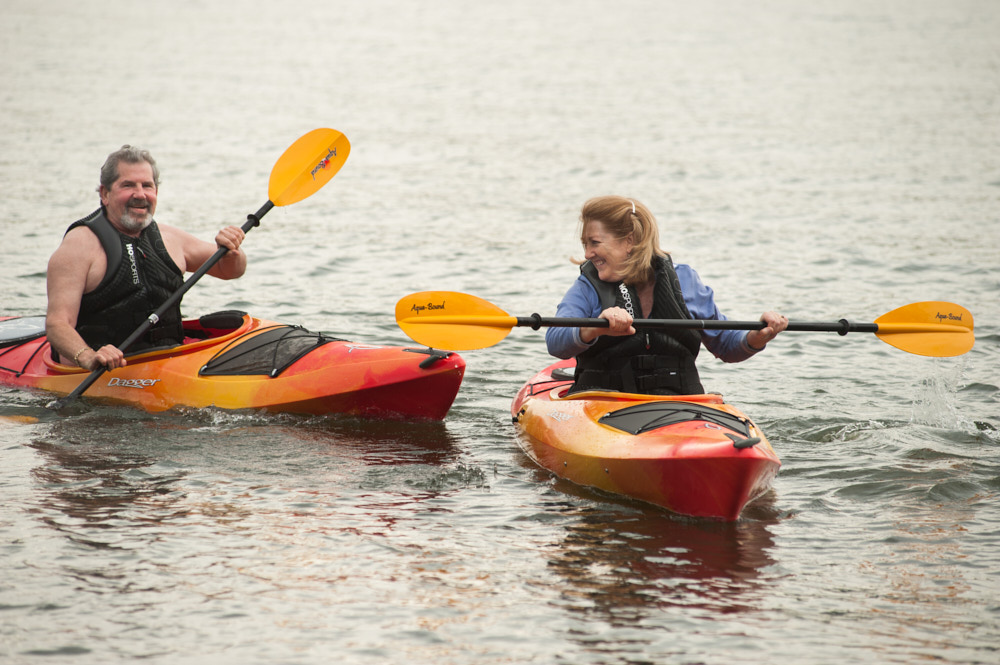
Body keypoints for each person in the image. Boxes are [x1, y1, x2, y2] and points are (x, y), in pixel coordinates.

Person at [546, 195, 788, 395]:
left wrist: (758, 336)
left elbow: (726, 345)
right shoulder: (587, 287)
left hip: (680, 405)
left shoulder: (684, 281)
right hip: (603, 403)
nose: (588, 254)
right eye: (584, 244)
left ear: (629, 240)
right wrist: (596, 328)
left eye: (594, 243)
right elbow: (555, 341)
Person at [46, 145, 248, 371]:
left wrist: (231, 250)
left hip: (167, 361)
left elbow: (230, 270)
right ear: (105, 193)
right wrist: (87, 356)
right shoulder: (78, 246)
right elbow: (57, 324)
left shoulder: (170, 238)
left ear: (156, 193)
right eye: (128, 185)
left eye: (147, 186)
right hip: (102, 370)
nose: (140, 194)